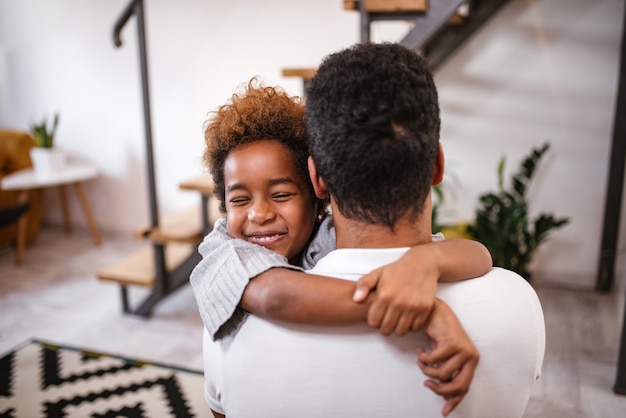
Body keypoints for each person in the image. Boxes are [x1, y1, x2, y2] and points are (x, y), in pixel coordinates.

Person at [201, 43, 546, 418]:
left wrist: (427, 260)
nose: (260, 213)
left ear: (316, 184)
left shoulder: (229, 339)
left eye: (281, 193)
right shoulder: (519, 302)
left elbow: (478, 254)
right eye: (240, 199)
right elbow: (274, 295)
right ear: (437, 166)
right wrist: (428, 311)